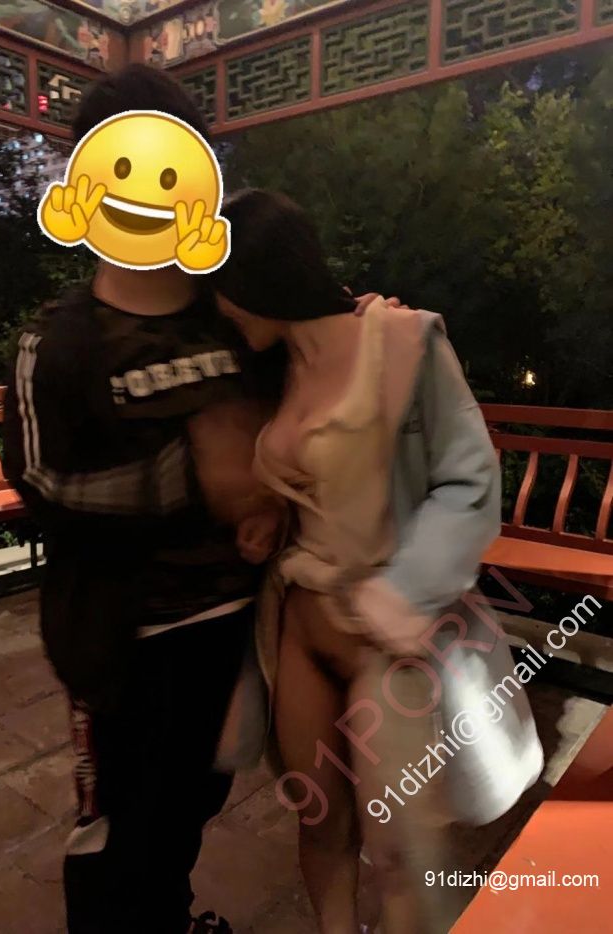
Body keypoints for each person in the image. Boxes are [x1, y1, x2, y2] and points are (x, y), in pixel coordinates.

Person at [210, 188, 543, 934]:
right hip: (297, 627)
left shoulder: (402, 342)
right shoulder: (273, 368)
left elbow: (469, 478)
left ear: (261, 275)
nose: (219, 310)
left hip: (385, 637)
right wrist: (267, 518)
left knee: (402, 851)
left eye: (222, 287)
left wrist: (408, 591)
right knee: (319, 821)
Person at [3, 69, 283, 934]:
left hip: (238, 624)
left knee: (195, 805)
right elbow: (44, 485)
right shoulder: (58, 343)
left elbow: (293, 417)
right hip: (128, 643)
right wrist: (197, 470)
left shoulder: (231, 320)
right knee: (118, 831)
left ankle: (172, 914)